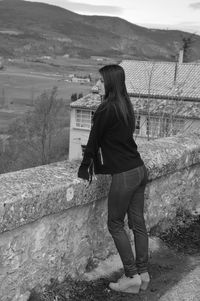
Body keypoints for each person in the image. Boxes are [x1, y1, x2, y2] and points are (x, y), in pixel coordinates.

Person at [78, 64, 150, 294]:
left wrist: (85, 166)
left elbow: (94, 140)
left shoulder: (105, 109)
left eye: (100, 81)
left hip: (126, 175)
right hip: (139, 169)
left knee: (115, 223)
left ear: (110, 83)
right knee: (138, 224)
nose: (95, 85)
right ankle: (143, 273)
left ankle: (131, 277)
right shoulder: (125, 106)